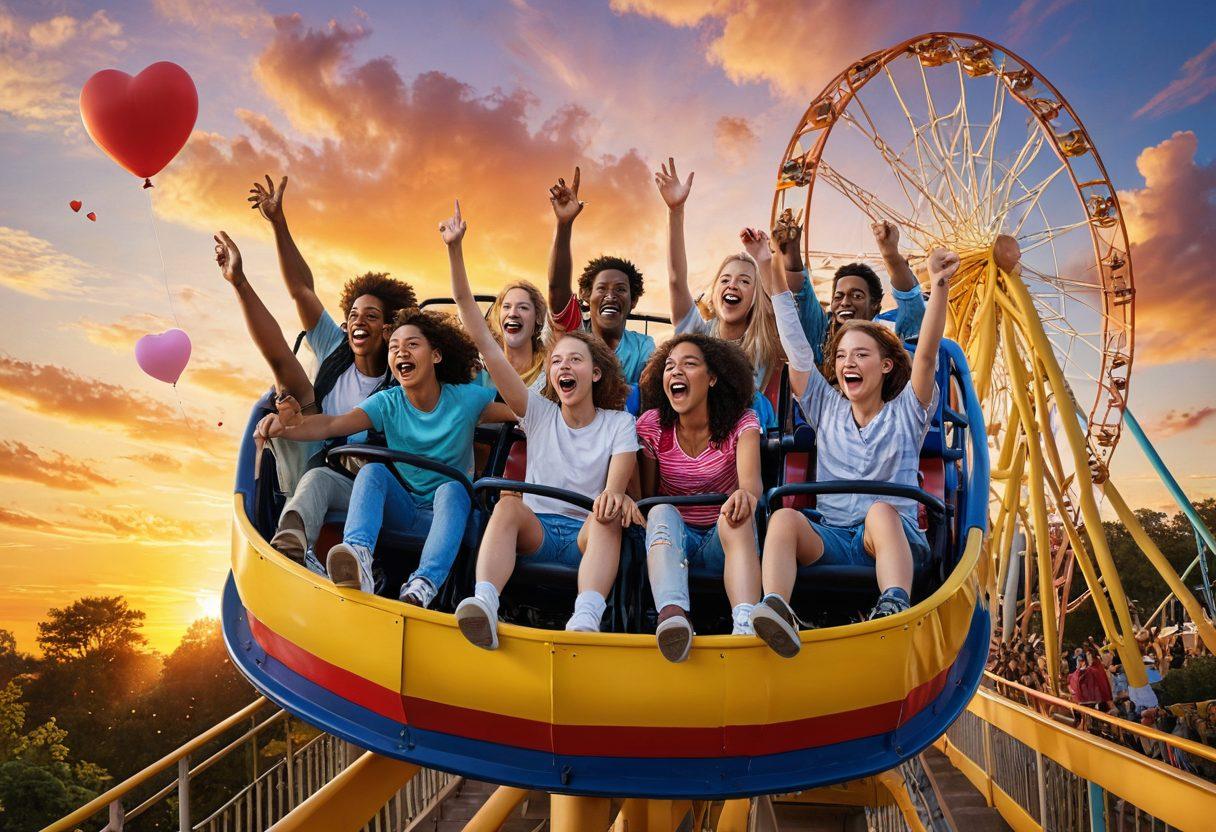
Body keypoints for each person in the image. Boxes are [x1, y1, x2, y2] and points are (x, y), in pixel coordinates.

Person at [442, 201, 640, 647]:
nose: (563, 367)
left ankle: (586, 616)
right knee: (508, 504)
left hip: (588, 535)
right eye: (556, 361)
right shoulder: (538, 411)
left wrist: (611, 499)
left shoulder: (618, 424)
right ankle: (484, 604)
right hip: (538, 529)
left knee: (607, 513)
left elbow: (614, 486)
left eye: (575, 359)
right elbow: (482, 338)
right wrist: (455, 251)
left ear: (595, 373)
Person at [748, 243, 958, 658]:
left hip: (891, 541)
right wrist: (763, 264)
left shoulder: (907, 412)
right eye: (842, 355)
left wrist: (939, 286)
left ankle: (895, 600)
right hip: (836, 537)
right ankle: (777, 607)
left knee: (881, 511)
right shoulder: (826, 408)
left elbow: (928, 354)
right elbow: (795, 348)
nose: (849, 363)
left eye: (861, 354)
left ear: (884, 366)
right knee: (786, 518)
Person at [260, 307, 515, 605]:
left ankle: (423, 583)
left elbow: (521, 411)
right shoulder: (388, 402)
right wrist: (289, 427)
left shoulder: (465, 399)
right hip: (404, 506)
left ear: (436, 355)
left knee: (453, 488)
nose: (401, 352)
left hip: (447, 510)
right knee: (373, 472)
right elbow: (332, 423)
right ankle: (357, 556)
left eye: (412, 345)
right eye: (394, 347)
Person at [241, 176, 418, 569]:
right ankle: (292, 545)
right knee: (302, 443)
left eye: (371, 317)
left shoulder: (403, 374)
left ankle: (313, 549)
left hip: (377, 484)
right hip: (325, 468)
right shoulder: (337, 350)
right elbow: (301, 291)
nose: (358, 322)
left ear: (389, 329)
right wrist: (277, 222)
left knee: (325, 475)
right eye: (352, 314)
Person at [636, 333, 763, 662]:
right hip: (673, 539)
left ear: (712, 377)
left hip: (723, 537)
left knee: (737, 510)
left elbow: (751, 486)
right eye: (669, 366)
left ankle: (746, 622)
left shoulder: (742, 422)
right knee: (661, 510)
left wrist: (743, 496)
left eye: (688, 364)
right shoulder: (653, 426)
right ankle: (673, 616)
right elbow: (646, 499)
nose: (675, 372)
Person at [654, 158, 783, 426]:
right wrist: (675, 211)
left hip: (744, 436)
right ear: (715, 292)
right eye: (725, 280)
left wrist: (763, 260)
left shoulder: (765, 339)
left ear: (757, 296)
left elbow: (781, 305)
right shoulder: (699, 335)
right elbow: (677, 279)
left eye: (745, 282)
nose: (733, 285)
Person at [771, 208, 927, 365]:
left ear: (875, 306)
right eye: (838, 296)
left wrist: (890, 255)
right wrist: (791, 251)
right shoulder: (823, 339)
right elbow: (801, 295)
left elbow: (911, 305)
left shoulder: (890, 345)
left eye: (857, 296)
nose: (844, 302)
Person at [546, 167, 655, 384]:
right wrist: (564, 225)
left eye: (620, 289)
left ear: (633, 301)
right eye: (602, 288)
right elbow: (557, 288)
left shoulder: (643, 346)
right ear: (586, 295)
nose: (610, 295)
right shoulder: (575, 332)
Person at [474, 280, 549, 392]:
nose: (513, 313)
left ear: (538, 317)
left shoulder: (550, 369)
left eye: (523, 307)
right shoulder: (479, 372)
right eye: (506, 307)